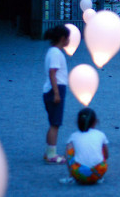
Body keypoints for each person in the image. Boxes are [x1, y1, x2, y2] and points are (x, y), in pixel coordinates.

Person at [59, 108, 109, 185]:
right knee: (101, 146)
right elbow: (106, 155)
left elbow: (67, 154)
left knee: (70, 148)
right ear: (95, 122)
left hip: (79, 174)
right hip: (98, 172)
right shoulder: (100, 134)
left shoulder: (74, 136)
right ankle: (100, 178)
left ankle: (71, 177)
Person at [43, 25, 70, 164]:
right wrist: (56, 93)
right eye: (68, 38)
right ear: (63, 38)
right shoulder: (55, 53)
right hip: (56, 89)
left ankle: (49, 152)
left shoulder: (53, 52)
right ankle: (52, 155)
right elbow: (52, 73)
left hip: (54, 89)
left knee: (53, 123)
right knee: (55, 124)